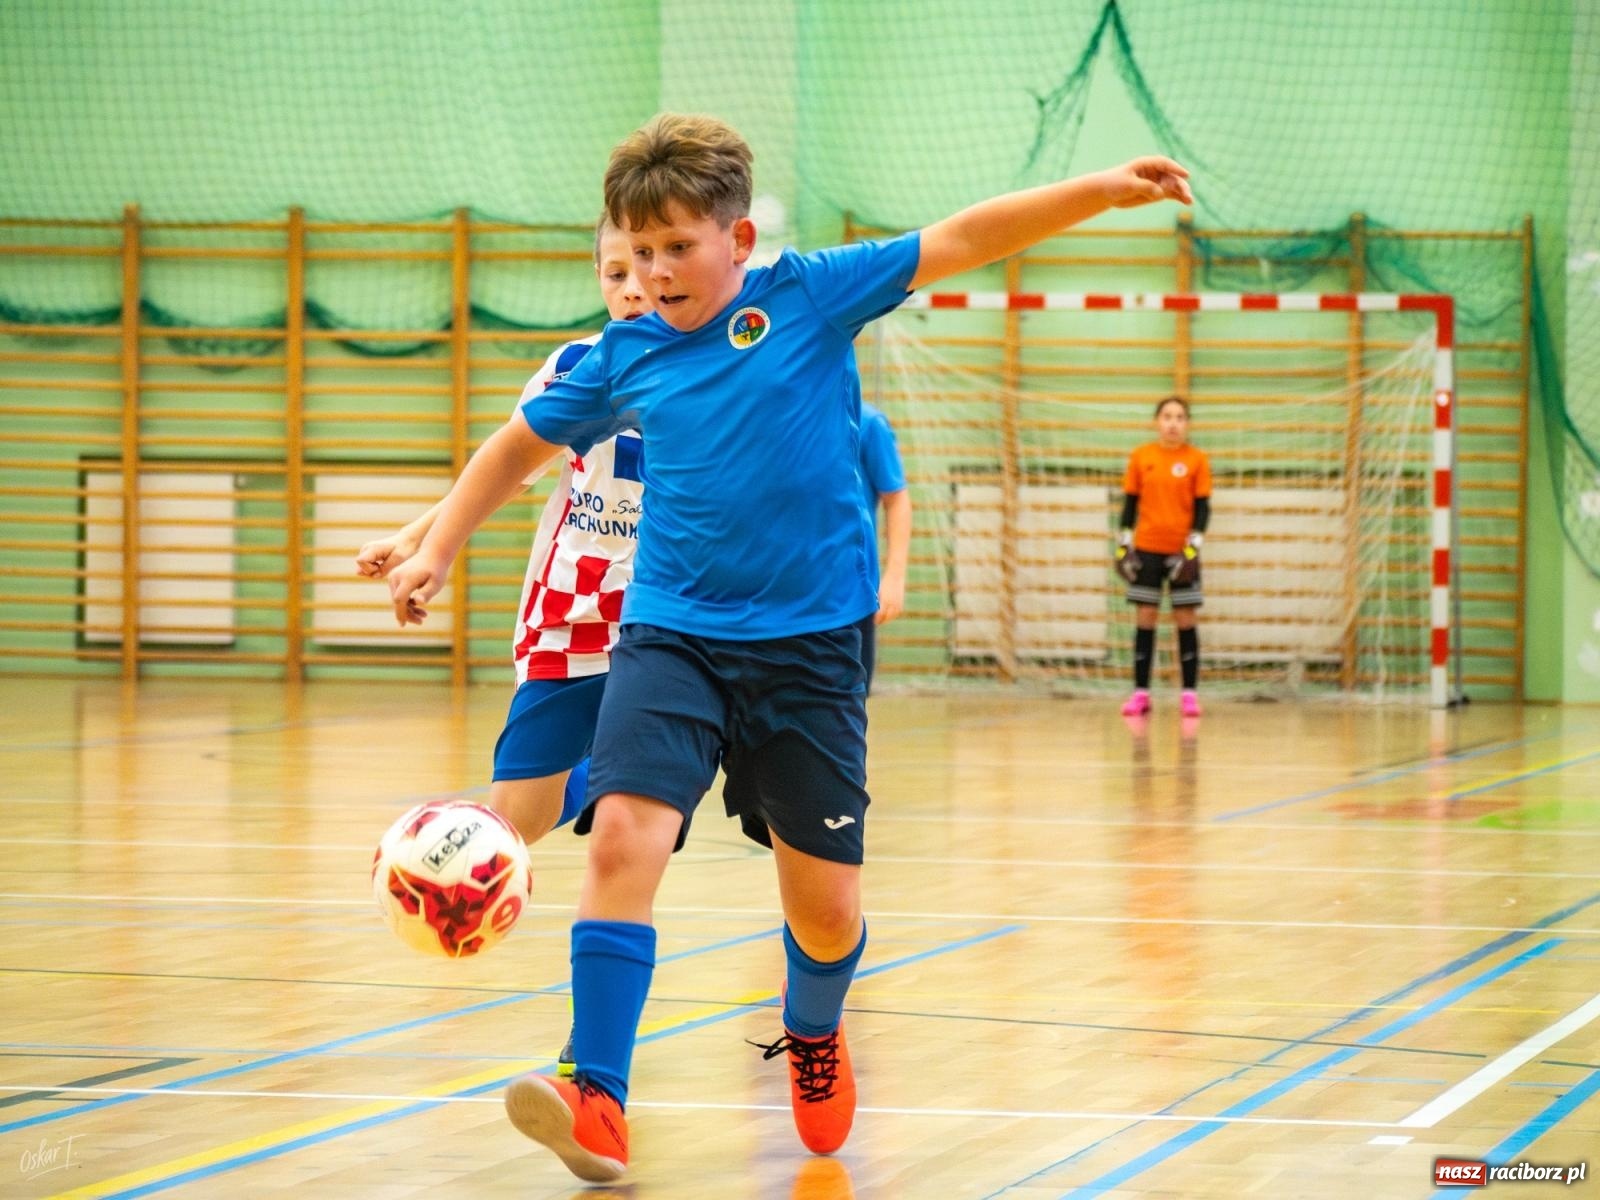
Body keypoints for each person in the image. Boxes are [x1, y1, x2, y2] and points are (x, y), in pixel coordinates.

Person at [384, 112, 1190, 1182]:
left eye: (678, 247)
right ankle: (597, 1094)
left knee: (824, 911)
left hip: (809, 654)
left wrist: (1101, 189)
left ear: (737, 239)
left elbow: (962, 237)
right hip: (670, 634)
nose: (657, 273)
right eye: (638, 254)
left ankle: (812, 1029)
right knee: (624, 834)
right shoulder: (625, 356)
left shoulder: (809, 295)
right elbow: (515, 445)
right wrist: (437, 545)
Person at [356, 217, 651, 1073]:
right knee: (512, 821)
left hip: (664, 628)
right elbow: (508, 467)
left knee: (625, 838)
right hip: (567, 620)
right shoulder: (570, 368)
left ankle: (591, 1049)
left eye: (644, 267)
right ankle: (597, 777)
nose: (632, 286)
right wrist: (421, 539)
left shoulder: (709, 375)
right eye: (615, 271)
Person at [1113, 395, 1212, 718]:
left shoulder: (1197, 459)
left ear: (1187, 423)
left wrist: (1192, 548)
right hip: (1147, 549)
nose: (1173, 423)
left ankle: (1189, 695)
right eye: (1167, 416)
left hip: (1181, 552)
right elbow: (1129, 504)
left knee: (1186, 619)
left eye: (1180, 417)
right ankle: (1141, 694)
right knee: (1145, 618)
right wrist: (1122, 544)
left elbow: (1202, 509)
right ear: (1157, 421)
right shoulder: (1142, 457)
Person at [855, 397, 910, 691]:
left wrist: (894, 576)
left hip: (853, 591)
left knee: (850, 699)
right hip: (793, 590)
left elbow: (896, 498)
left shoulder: (867, 423)